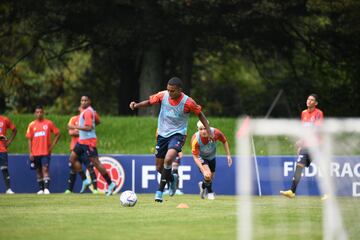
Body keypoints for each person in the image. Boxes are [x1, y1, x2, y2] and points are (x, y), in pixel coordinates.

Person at [129, 77, 213, 202]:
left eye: (172, 91)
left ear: (180, 90)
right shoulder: (163, 95)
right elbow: (149, 102)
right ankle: (172, 179)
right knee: (158, 167)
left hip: (178, 134)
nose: (170, 93)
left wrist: (209, 130)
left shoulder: (188, 102)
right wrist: (136, 105)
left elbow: (200, 114)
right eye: (168, 90)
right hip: (162, 135)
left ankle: (159, 192)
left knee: (168, 159)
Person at [68, 95, 115, 196]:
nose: (83, 102)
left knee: (96, 163)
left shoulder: (88, 112)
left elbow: (89, 127)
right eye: (82, 100)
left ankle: (111, 184)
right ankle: (85, 180)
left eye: (86, 100)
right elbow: (97, 121)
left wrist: (74, 126)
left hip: (89, 142)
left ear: (89, 101)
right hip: (81, 141)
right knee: (72, 159)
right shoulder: (90, 111)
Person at [280, 94, 324, 198]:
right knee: (299, 166)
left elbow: (316, 130)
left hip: (316, 145)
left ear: (316, 103)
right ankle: (292, 191)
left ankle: (329, 193)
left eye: (312, 100)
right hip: (306, 146)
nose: (309, 101)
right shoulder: (303, 113)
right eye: (308, 99)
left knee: (322, 167)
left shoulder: (319, 113)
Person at [191, 120, 232, 200]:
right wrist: (203, 169)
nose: (203, 131)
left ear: (208, 127)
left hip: (212, 157)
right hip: (201, 157)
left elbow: (224, 141)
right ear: (198, 129)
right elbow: (195, 157)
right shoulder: (195, 139)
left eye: (205, 128)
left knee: (210, 177)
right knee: (207, 174)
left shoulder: (216, 133)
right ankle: (210, 192)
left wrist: (228, 155)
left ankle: (202, 186)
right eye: (200, 129)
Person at [26, 106, 61, 194]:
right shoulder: (31, 125)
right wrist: (30, 152)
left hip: (45, 152)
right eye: (37, 112)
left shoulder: (48, 123)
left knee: (45, 169)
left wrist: (52, 146)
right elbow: (29, 139)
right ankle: (41, 189)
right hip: (35, 152)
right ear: (35, 113)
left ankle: (46, 189)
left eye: (41, 112)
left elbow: (58, 133)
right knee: (38, 170)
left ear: (43, 113)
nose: (39, 114)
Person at [65, 107, 100, 194]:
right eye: (82, 107)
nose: (83, 109)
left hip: (86, 145)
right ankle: (70, 189)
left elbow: (91, 127)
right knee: (73, 167)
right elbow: (70, 132)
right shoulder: (73, 118)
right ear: (79, 108)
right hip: (75, 146)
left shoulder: (88, 117)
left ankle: (95, 189)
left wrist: (78, 130)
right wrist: (82, 130)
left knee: (90, 166)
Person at [0, 115, 17, 194]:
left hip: (2, 149)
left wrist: (8, 142)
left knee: (4, 168)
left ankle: (8, 189)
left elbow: (14, 130)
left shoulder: (5, 119)